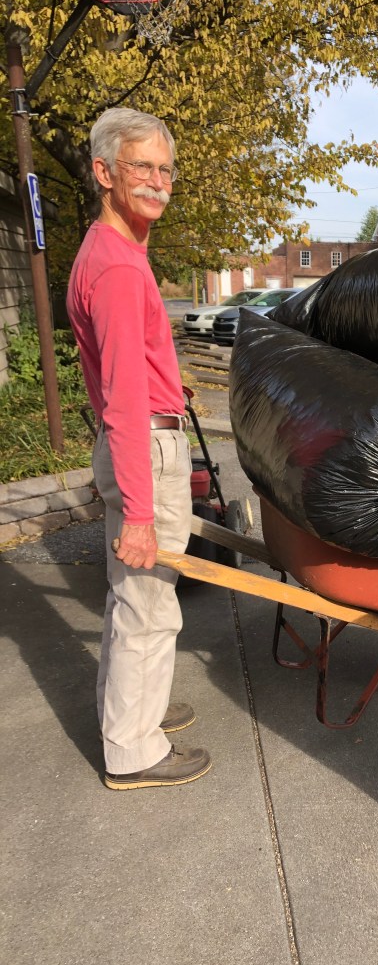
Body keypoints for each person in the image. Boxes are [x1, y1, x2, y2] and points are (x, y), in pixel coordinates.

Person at [67, 107, 211, 790]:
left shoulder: (111, 251)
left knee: (136, 598)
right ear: (104, 172)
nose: (158, 181)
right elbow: (123, 398)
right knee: (147, 605)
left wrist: (172, 385)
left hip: (141, 442)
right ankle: (134, 748)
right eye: (141, 167)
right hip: (143, 452)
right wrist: (142, 514)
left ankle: (135, 711)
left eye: (164, 168)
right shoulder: (120, 269)